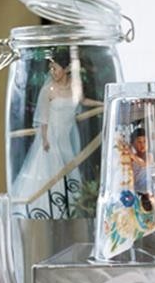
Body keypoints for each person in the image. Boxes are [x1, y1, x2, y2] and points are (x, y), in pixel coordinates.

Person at [11, 50, 101, 217]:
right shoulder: (48, 90)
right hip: (51, 137)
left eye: (55, 68)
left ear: (66, 68)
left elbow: (82, 100)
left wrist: (102, 104)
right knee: (51, 172)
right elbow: (43, 117)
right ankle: (47, 211)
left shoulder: (74, 85)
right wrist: (45, 139)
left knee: (69, 169)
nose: (52, 72)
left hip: (66, 137)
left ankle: (71, 211)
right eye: (50, 69)